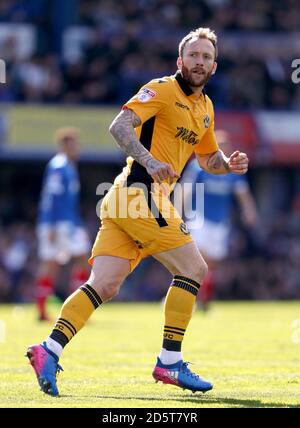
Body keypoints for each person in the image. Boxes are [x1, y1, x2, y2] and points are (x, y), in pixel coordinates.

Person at [26, 27, 249, 396]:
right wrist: (149, 159)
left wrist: (229, 164)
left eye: (206, 57)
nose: (199, 61)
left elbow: (208, 158)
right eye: (193, 55)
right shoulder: (161, 89)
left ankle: (47, 350)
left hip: (126, 201)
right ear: (180, 60)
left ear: (214, 65)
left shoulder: (205, 108)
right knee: (194, 270)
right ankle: (170, 362)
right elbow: (119, 126)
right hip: (139, 194)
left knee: (104, 285)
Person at [182, 130, 258, 310]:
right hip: (198, 219)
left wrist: (249, 211)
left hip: (220, 222)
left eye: (225, 146)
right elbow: (185, 190)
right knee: (198, 259)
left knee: (212, 264)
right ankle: (186, 298)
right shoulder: (197, 167)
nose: (223, 149)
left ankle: (203, 298)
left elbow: (242, 193)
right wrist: (178, 213)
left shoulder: (231, 171)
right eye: (219, 146)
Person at [36, 127, 91, 321]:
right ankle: (72, 310)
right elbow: (52, 196)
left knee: (73, 259)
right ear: (65, 146)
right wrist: (51, 224)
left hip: (66, 221)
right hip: (59, 223)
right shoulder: (59, 166)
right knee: (59, 263)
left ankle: (66, 309)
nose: (76, 148)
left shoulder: (66, 166)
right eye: (73, 144)